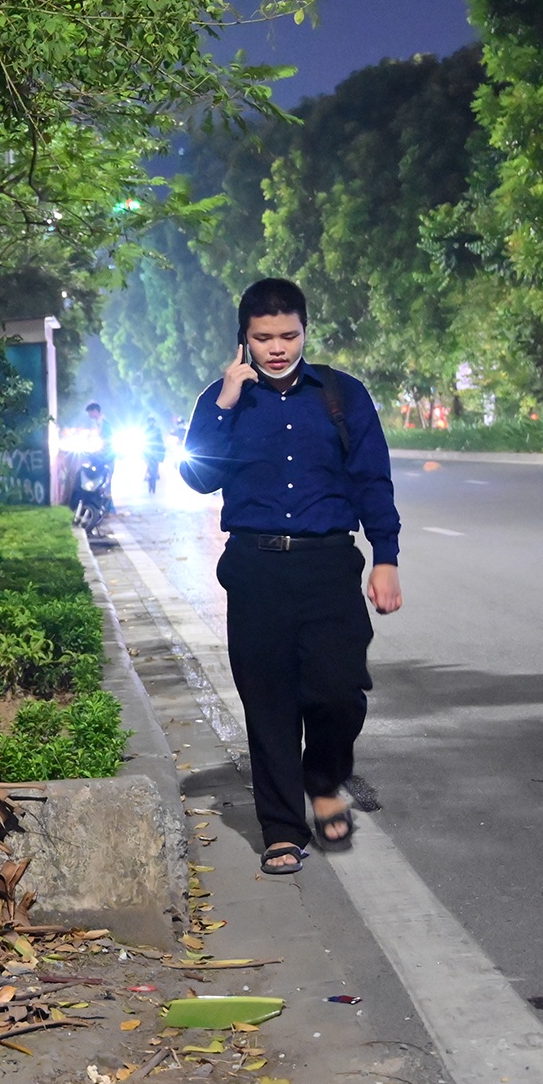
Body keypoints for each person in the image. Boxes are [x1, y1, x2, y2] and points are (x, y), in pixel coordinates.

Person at [179, 278, 403, 876]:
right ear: (243, 338)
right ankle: (281, 828)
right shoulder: (221, 399)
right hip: (255, 568)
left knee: (338, 690)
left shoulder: (341, 394)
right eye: (263, 337)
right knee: (269, 702)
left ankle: (325, 777)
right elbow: (197, 476)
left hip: (329, 563)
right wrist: (226, 402)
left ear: (304, 331)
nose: (276, 347)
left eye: (288, 335)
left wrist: (386, 556)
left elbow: (372, 479)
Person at [142, 411, 167, 492]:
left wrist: (162, 448)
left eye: (152, 421)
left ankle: (156, 474)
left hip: (155, 450)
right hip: (148, 450)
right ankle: (147, 474)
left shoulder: (157, 430)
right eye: (149, 421)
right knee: (147, 462)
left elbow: (160, 441)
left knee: (156, 463)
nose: (151, 422)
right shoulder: (146, 431)